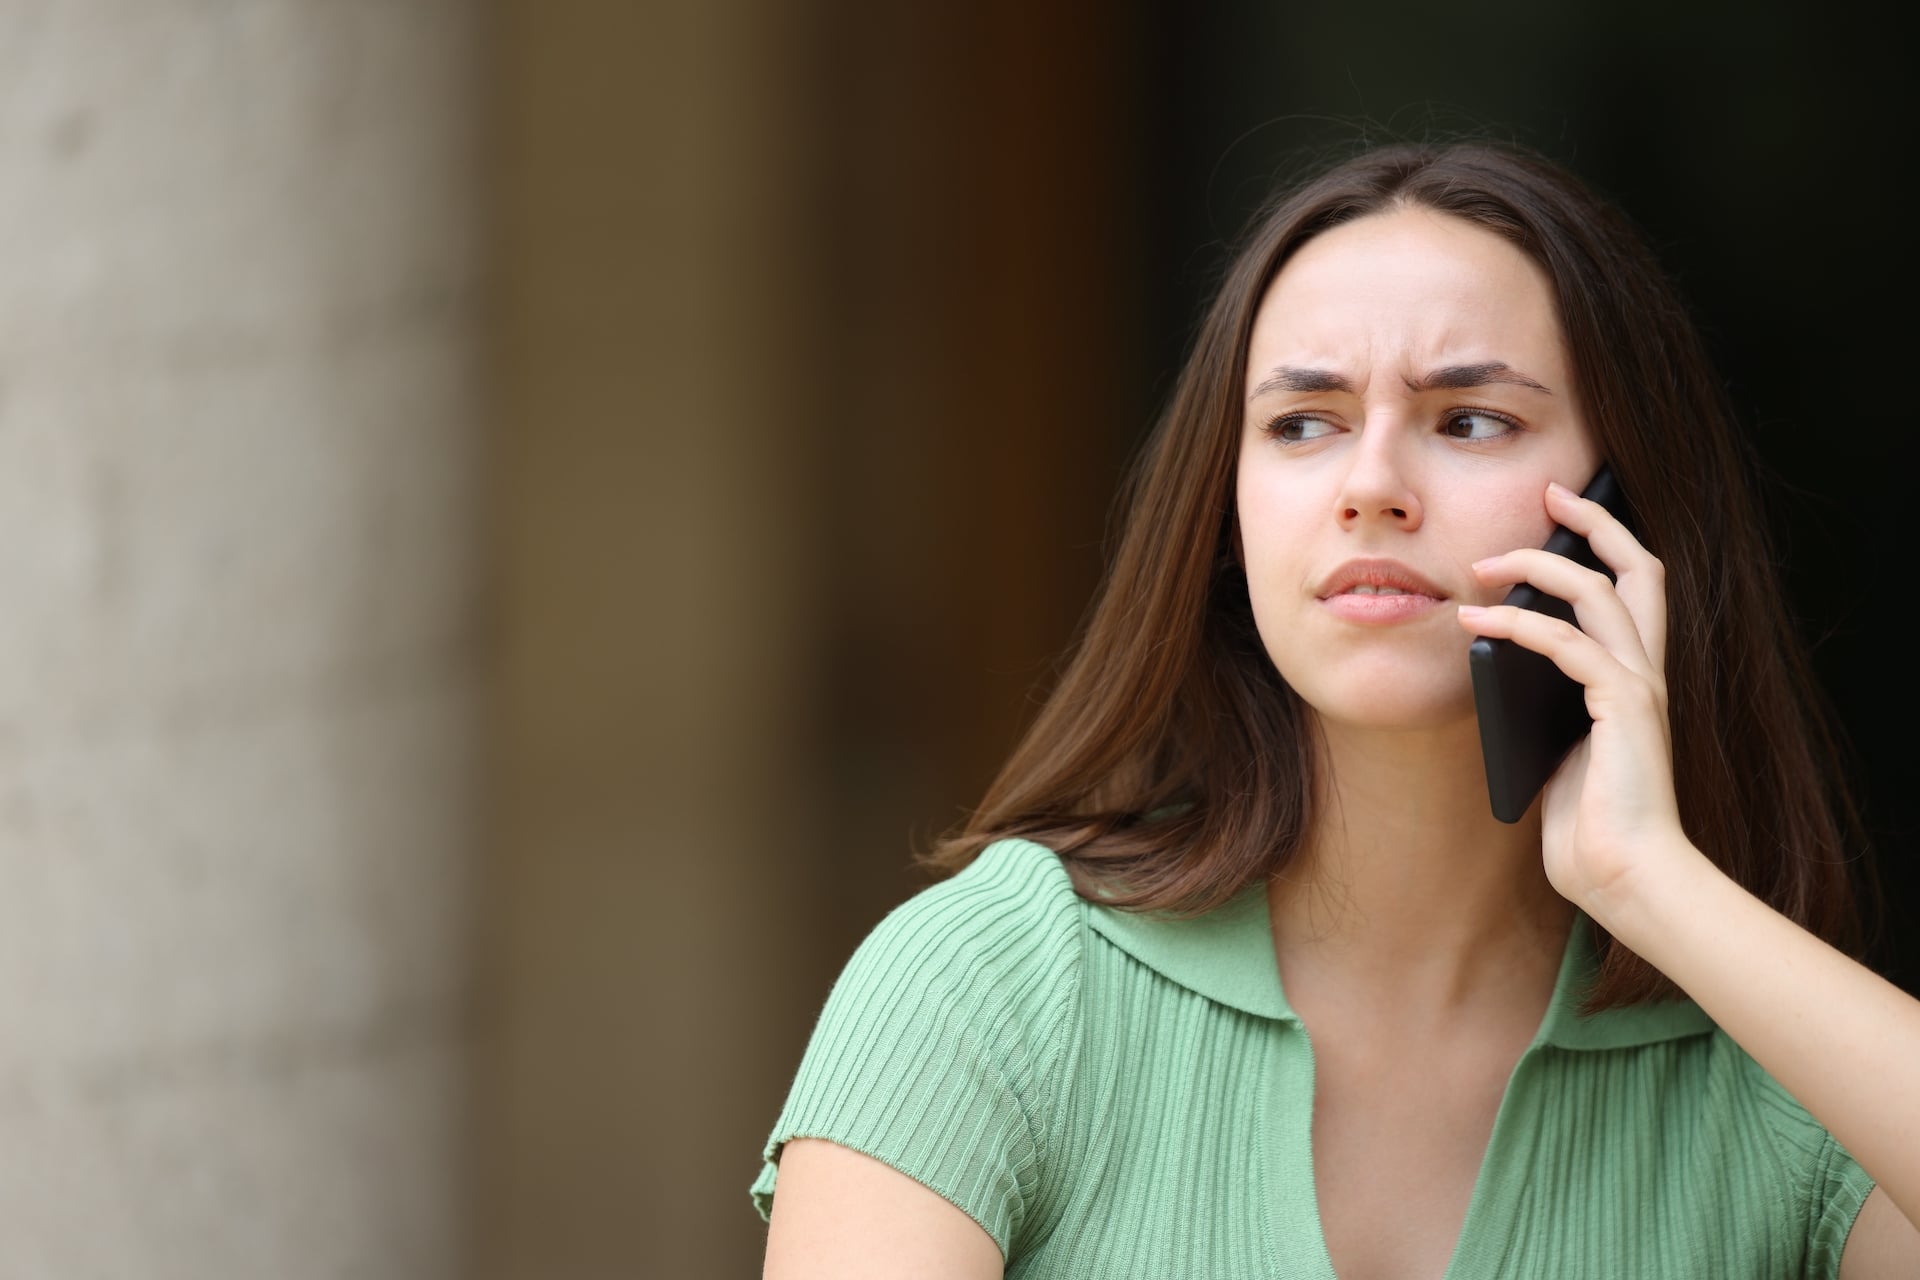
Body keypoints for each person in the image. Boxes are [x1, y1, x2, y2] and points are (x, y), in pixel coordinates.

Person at [750, 141, 1920, 1278]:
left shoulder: (1773, 1071)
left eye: (1469, 420)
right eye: (1303, 423)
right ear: (1229, 512)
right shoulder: (996, 985)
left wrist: (1652, 883)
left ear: (1622, 515)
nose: (1370, 487)